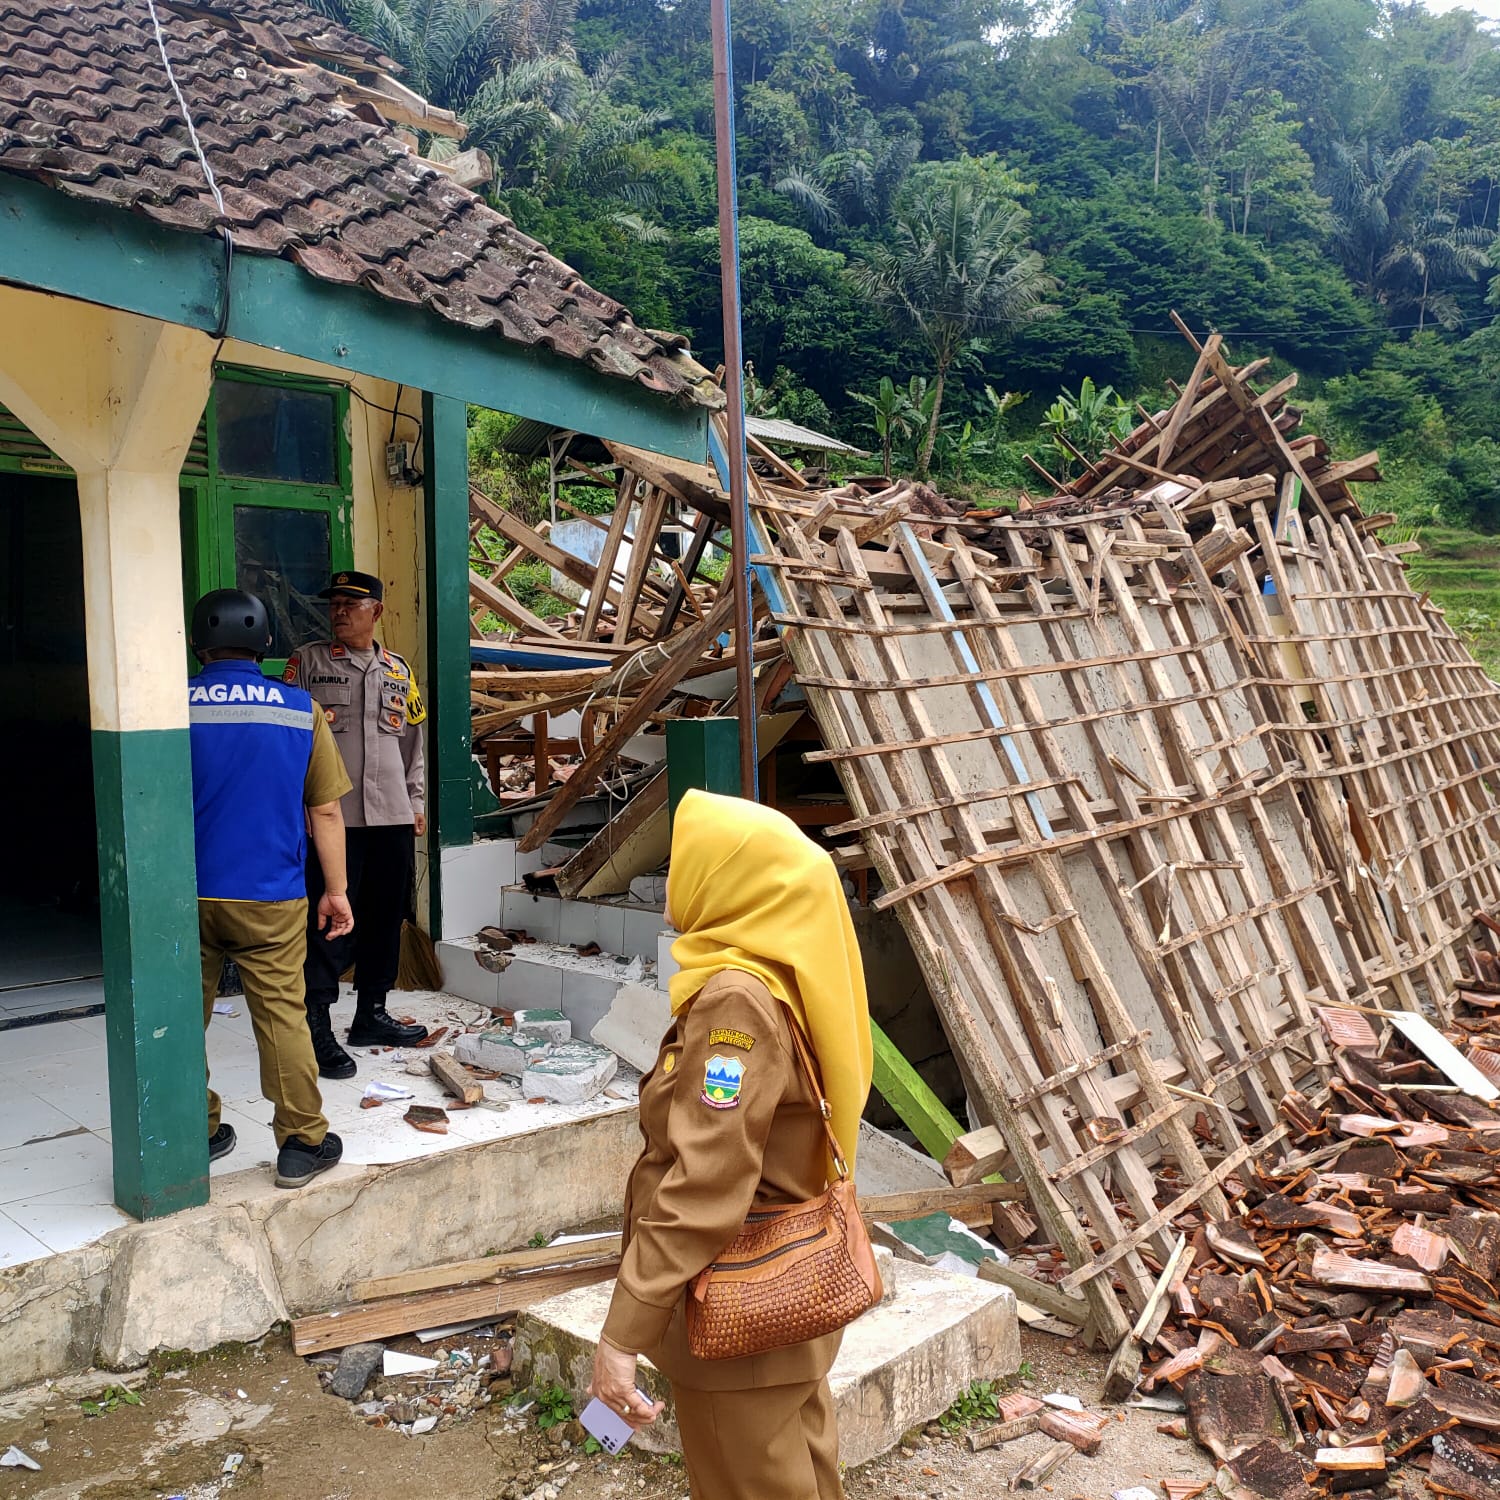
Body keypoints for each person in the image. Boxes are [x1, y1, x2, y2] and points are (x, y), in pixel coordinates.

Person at [588, 790, 874, 1500]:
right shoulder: (785, 974)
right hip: (782, 1312)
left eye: (684, 864)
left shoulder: (734, 1002)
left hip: (735, 1319)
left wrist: (622, 1333)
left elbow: (705, 1186)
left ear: (728, 881)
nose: (665, 889)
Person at [187, 588, 354, 1189]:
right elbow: (327, 813)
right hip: (272, 896)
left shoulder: (169, 705)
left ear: (196, 643)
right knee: (283, 1018)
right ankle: (302, 1144)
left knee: (181, 1017)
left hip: (186, 894)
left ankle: (196, 1132)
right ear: (265, 644)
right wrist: (335, 891)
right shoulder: (297, 709)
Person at [284, 570, 429, 1077]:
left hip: (389, 815)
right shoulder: (307, 663)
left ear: (377, 612)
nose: (340, 610)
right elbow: (288, 741)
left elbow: (414, 742)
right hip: (332, 818)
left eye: (352, 603)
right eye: (335, 603)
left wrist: (415, 801)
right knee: (329, 920)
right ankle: (318, 1022)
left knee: (385, 917)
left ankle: (371, 1013)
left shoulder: (398, 670)